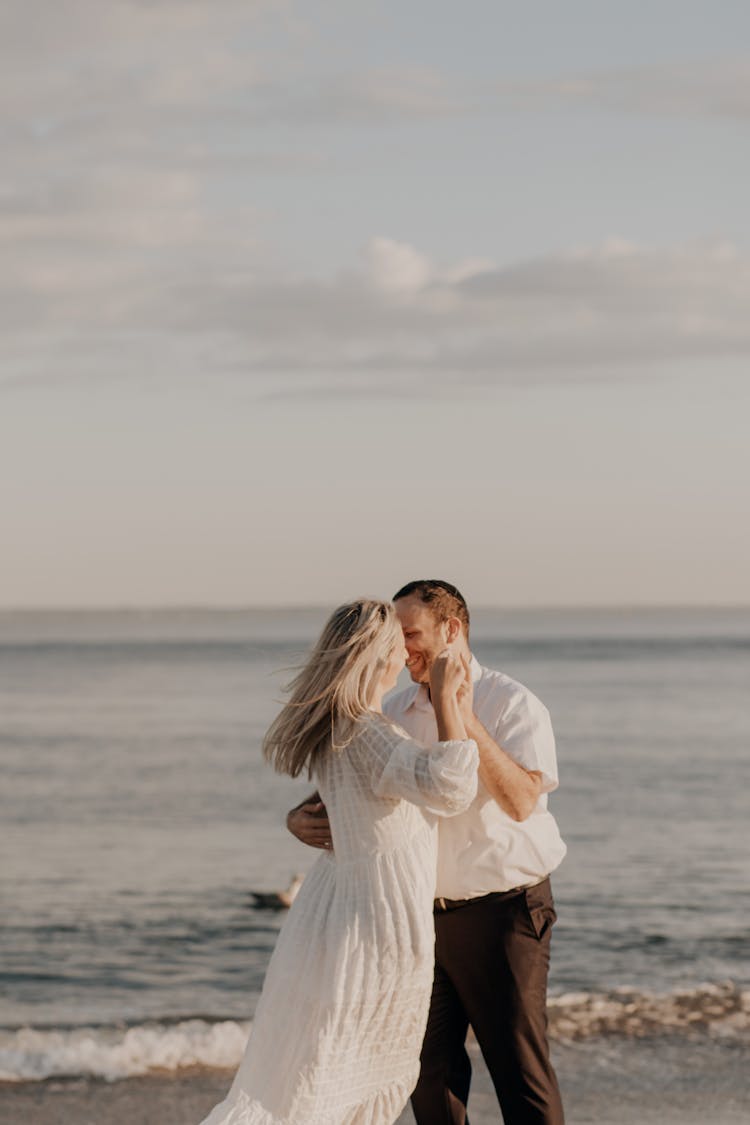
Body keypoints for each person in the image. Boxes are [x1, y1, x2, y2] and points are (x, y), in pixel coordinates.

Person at [289, 581, 567, 1125]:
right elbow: (353, 784)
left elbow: (522, 800)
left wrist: (458, 712)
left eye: (412, 634)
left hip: (504, 913)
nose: (403, 649)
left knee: (520, 1074)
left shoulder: (512, 702)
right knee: (428, 1076)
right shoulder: (392, 707)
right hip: (417, 921)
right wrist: (297, 815)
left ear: (452, 631)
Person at [200, 598, 479, 1125]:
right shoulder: (369, 732)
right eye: (399, 648)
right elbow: (453, 787)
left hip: (337, 911)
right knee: (351, 1075)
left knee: (326, 1068)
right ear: (376, 657)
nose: (405, 659)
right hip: (377, 922)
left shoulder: (340, 727)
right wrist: (446, 701)